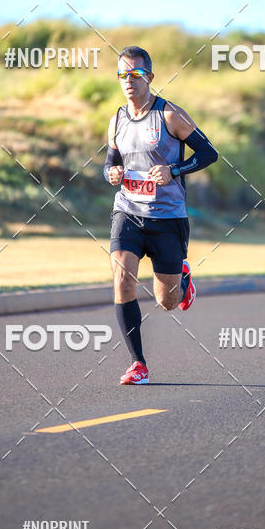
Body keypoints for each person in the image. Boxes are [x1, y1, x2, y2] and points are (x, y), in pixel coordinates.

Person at [103, 46, 218, 383]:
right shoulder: (117, 119)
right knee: (122, 280)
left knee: (167, 301)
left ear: (150, 77)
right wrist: (111, 173)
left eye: (135, 74)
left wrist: (174, 170)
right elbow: (110, 162)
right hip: (127, 211)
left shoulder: (170, 115)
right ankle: (138, 364)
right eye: (122, 74)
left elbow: (208, 153)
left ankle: (182, 279)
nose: (128, 80)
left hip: (167, 217)